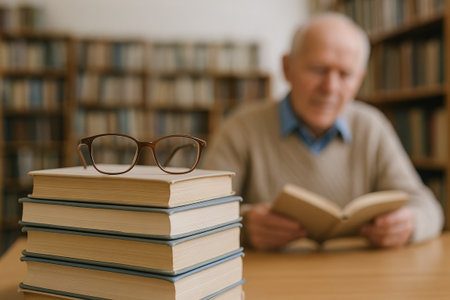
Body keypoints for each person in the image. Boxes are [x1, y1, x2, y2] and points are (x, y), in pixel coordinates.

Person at [201, 13, 444, 251]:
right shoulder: (240, 127)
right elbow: (200, 213)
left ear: (359, 80)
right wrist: (243, 225)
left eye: (345, 74)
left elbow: (429, 208)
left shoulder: (372, 126)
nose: (330, 87)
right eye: (318, 69)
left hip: (357, 281)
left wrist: (409, 223)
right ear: (287, 67)